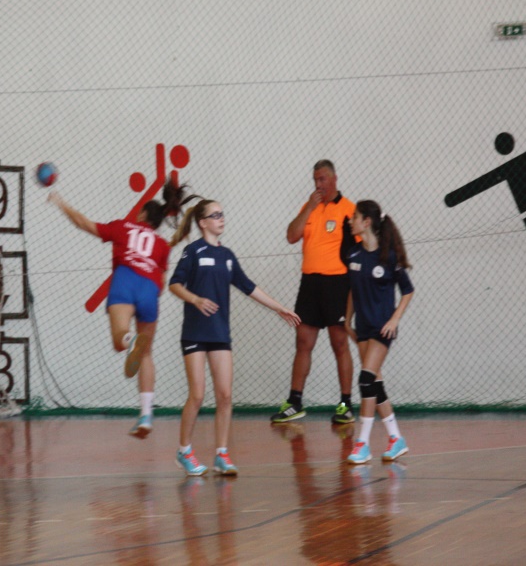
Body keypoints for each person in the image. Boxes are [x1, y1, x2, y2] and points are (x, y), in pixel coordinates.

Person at [48, 181, 197, 438]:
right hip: (149, 288)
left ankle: (129, 339)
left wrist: (61, 204)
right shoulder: (161, 245)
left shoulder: (122, 227)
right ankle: (146, 416)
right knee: (147, 354)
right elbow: (162, 283)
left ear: (142, 214)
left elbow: (84, 224)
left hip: (125, 281)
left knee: (119, 340)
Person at [169, 199, 300, 476]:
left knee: (225, 396)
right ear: (203, 222)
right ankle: (184, 451)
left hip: (219, 333)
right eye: (215, 215)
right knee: (197, 395)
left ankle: (222, 454)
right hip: (194, 333)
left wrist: (279, 308)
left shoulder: (227, 256)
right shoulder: (193, 251)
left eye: (222, 214)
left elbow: (248, 286)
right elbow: (175, 284)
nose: (221, 218)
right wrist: (195, 299)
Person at [271, 159, 358, 425]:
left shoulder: (348, 209)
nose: (318, 184)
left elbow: (359, 250)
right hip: (310, 283)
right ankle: (294, 402)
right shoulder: (309, 207)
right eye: (315, 180)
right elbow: (291, 236)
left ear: (334, 179)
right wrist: (309, 207)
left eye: (322, 179)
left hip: (337, 283)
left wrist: (356, 289)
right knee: (303, 342)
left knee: (339, 343)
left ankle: (345, 405)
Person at [343, 200, 414, 464]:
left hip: (382, 328)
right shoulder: (353, 255)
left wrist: (394, 320)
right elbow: (353, 290)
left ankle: (362, 443)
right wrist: (347, 320)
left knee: (365, 380)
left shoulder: (389, 257)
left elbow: (408, 291)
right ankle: (396, 438)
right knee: (374, 384)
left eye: (354, 217)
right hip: (362, 327)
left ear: (367, 222)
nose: (351, 221)